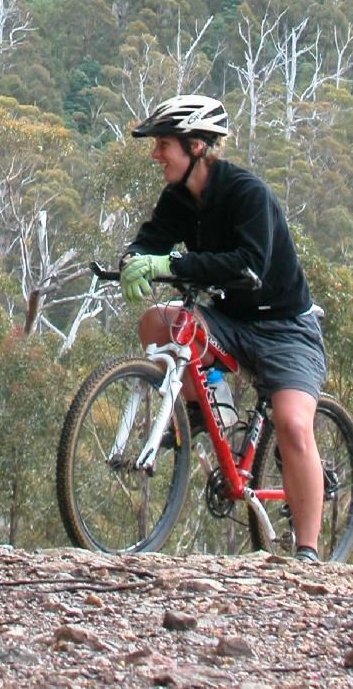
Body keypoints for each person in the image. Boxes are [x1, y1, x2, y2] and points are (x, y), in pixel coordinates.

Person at [119, 93, 328, 564]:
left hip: (285, 327)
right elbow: (151, 237)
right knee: (157, 322)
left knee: (294, 426)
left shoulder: (247, 193)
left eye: (163, 145)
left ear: (195, 146)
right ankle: (209, 406)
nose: (156, 155)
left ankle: (308, 552)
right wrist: (133, 259)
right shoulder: (179, 197)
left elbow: (248, 263)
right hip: (230, 319)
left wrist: (170, 263)